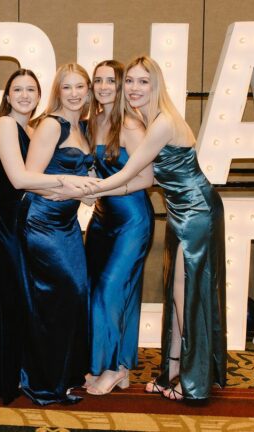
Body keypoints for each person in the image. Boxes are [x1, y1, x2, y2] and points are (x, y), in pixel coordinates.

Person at [83, 56, 226, 401]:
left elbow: (130, 173)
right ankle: (173, 371)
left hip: (197, 210)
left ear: (156, 85)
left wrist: (90, 188)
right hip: (180, 210)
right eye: (129, 81)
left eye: (142, 82)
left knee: (185, 296)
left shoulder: (161, 123)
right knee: (176, 294)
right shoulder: (146, 119)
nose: (133, 88)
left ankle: (192, 379)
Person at [0, 68, 94, 404]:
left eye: (30, 90)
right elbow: (21, 180)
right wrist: (67, 182)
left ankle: (7, 374)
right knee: (0, 300)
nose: (24, 95)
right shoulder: (4, 124)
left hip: (10, 222)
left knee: (10, 302)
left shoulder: (31, 128)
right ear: (7, 96)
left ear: (38, 95)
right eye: (17, 89)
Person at [18, 63, 95, 405]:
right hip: (42, 222)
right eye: (68, 87)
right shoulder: (51, 125)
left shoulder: (85, 128)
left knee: (75, 296)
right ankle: (43, 383)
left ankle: (62, 376)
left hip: (67, 224)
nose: (75, 93)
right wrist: (69, 187)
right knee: (58, 297)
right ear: (58, 92)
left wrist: (85, 191)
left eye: (81, 87)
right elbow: (29, 178)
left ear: (89, 91)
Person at [81, 60, 155, 395]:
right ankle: (119, 366)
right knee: (100, 289)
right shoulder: (91, 121)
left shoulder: (130, 126)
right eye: (97, 80)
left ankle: (111, 366)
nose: (103, 86)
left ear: (122, 84)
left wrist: (102, 189)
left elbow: (147, 178)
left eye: (111, 80)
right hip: (101, 220)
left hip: (131, 221)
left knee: (110, 292)